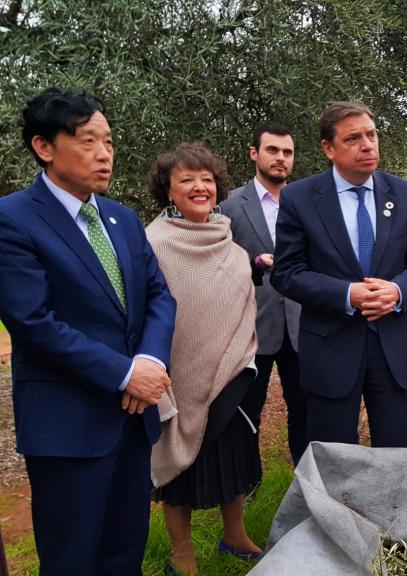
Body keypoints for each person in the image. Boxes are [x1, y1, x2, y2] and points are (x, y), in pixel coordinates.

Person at [0, 89, 176, 576]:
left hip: (131, 420)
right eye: (87, 141)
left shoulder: (120, 218)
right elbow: (33, 322)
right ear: (44, 146)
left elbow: (160, 296)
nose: (104, 154)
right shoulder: (13, 219)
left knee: (126, 549)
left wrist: (151, 362)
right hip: (68, 424)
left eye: (110, 142)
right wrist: (124, 374)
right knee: (73, 557)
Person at [272, 101, 407, 448]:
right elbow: (286, 273)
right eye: (354, 138)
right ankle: (334, 507)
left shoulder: (403, 194)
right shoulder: (300, 198)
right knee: (335, 459)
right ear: (328, 148)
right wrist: (347, 294)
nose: (368, 145)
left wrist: (398, 291)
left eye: (371, 135)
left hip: (392, 347)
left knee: (393, 456)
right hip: (331, 348)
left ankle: (388, 506)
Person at [147, 143, 264, 574]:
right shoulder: (152, 244)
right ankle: (182, 556)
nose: (199, 187)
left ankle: (234, 536)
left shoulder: (232, 246)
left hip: (230, 372)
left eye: (206, 179)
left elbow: (241, 306)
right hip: (176, 378)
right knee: (179, 473)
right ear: (169, 191)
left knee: (231, 458)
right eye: (186, 180)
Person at [220, 122, 308, 465]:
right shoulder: (230, 207)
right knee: (247, 410)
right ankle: (248, 480)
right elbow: (222, 267)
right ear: (254, 153)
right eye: (272, 150)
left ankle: (307, 477)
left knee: (304, 407)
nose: (281, 158)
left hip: (301, 324)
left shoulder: (306, 203)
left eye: (287, 152)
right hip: (252, 327)